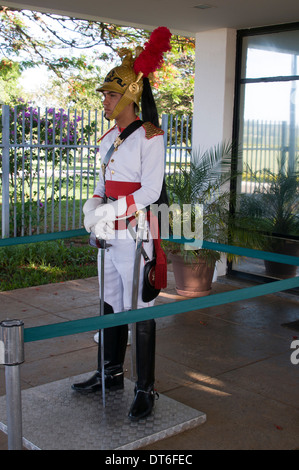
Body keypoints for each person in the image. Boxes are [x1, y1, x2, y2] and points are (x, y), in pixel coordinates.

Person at [72, 27, 171, 421]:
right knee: (110, 301)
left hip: (135, 228)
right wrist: (92, 210)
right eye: (105, 94)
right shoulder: (107, 138)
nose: (106, 101)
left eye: (111, 94)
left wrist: (113, 212)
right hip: (108, 229)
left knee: (140, 306)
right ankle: (110, 372)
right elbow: (100, 184)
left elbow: (150, 190)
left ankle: (145, 388)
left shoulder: (151, 136)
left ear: (130, 96)